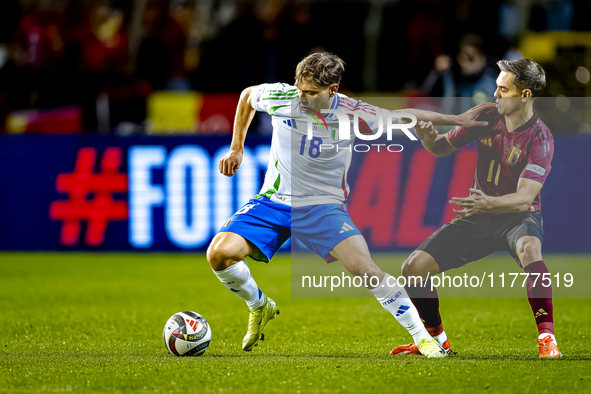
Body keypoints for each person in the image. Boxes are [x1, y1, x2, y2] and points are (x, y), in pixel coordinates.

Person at [207, 52, 492, 357]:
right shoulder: (284, 97)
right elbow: (249, 96)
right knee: (219, 254)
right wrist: (236, 147)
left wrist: (457, 120)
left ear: (333, 89)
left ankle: (423, 339)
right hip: (274, 201)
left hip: (322, 207)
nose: (301, 98)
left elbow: (406, 115)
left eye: (311, 93)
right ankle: (259, 305)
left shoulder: (353, 112)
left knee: (366, 269)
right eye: (300, 89)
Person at [391, 58, 560, 358]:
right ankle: (437, 340)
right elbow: (442, 147)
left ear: (525, 95)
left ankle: (547, 339)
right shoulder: (486, 115)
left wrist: (488, 202)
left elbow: (524, 198)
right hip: (479, 216)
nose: (495, 95)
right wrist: (428, 136)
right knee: (412, 269)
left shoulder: (540, 139)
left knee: (530, 250)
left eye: (503, 90)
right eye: (496, 87)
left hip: (517, 218)